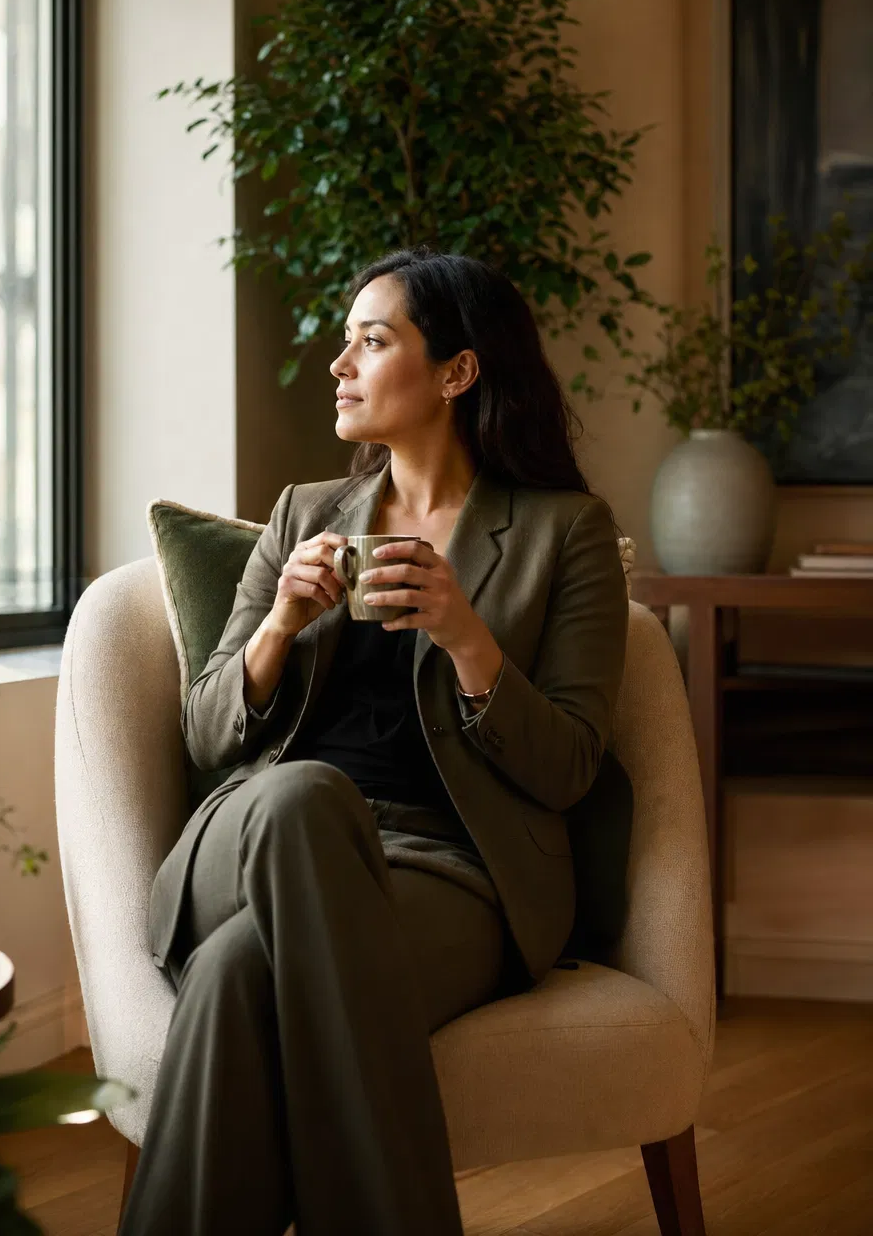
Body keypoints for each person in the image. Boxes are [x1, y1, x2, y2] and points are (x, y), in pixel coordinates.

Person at [122, 249, 629, 1236]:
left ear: (457, 371)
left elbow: (571, 766)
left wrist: (468, 637)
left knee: (232, 980)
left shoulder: (564, 532)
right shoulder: (304, 516)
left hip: (449, 872)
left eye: (372, 340)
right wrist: (279, 624)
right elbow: (208, 730)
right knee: (304, 795)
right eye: (345, 340)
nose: (339, 363)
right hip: (256, 837)